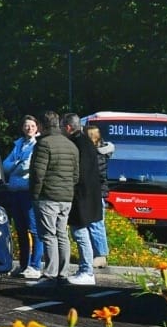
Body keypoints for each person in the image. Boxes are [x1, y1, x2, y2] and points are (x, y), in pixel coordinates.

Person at [28, 110, 77, 282]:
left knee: (48, 235)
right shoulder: (71, 144)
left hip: (48, 196)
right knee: (62, 234)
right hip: (67, 196)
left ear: (41, 125)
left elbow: (37, 173)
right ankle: (63, 272)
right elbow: (76, 174)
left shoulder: (43, 144)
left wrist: (35, 194)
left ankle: (50, 273)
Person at [62, 113, 101, 285]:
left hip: (81, 196)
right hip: (88, 194)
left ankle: (87, 270)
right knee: (81, 232)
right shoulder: (86, 142)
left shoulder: (77, 144)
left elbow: (79, 173)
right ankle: (85, 269)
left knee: (79, 232)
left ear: (68, 127)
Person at [3, 115, 42, 275]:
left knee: (34, 229)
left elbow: (27, 166)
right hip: (14, 191)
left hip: (27, 192)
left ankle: (36, 265)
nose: (29, 128)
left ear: (37, 127)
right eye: (26, 125)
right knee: (20, 230)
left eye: (32, 125)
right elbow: (5, 165)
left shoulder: (37, 144)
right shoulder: (18, 144)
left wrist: (14, 166)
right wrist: (16, 165)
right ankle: (24, 264)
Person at [84, 124, 113, 268]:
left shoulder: (97, 154)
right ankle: (97, 254)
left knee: (96, 224)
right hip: (96, 192)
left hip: (95, 193)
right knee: (94, 223)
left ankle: (101, 255)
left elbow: (97, 174)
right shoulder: (100, 152)